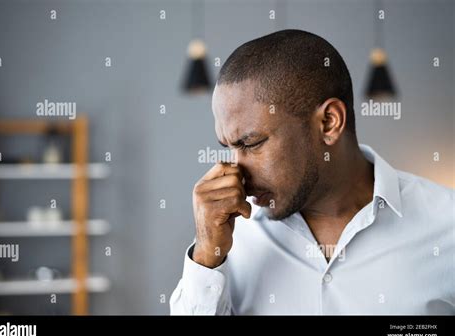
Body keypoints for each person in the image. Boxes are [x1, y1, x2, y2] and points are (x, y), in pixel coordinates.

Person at [170, 29, 454, 315]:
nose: (235, 172)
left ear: (329, 122)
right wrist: (206, 258)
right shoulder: (226, 242)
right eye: (228, 147)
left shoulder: (446, 226)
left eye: (252, 143)